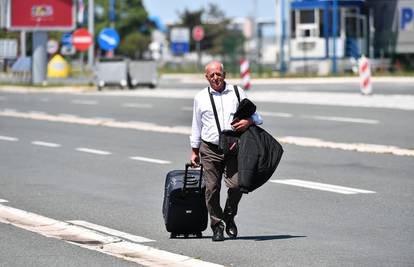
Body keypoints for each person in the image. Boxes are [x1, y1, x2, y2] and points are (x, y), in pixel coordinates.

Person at [190, 61, 262, 241]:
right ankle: (217, 225)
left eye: (218, 74)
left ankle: (229, 215)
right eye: (212, 75)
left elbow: (257, 117)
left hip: (234, 147)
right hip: (210, 148)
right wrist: (194, 151)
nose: (216, 78)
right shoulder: (200, 97)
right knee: (212, 188)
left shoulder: (237, 93)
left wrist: (249, 122)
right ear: (206, 78)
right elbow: (196, 126)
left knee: (238, 185)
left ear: (225, 74)